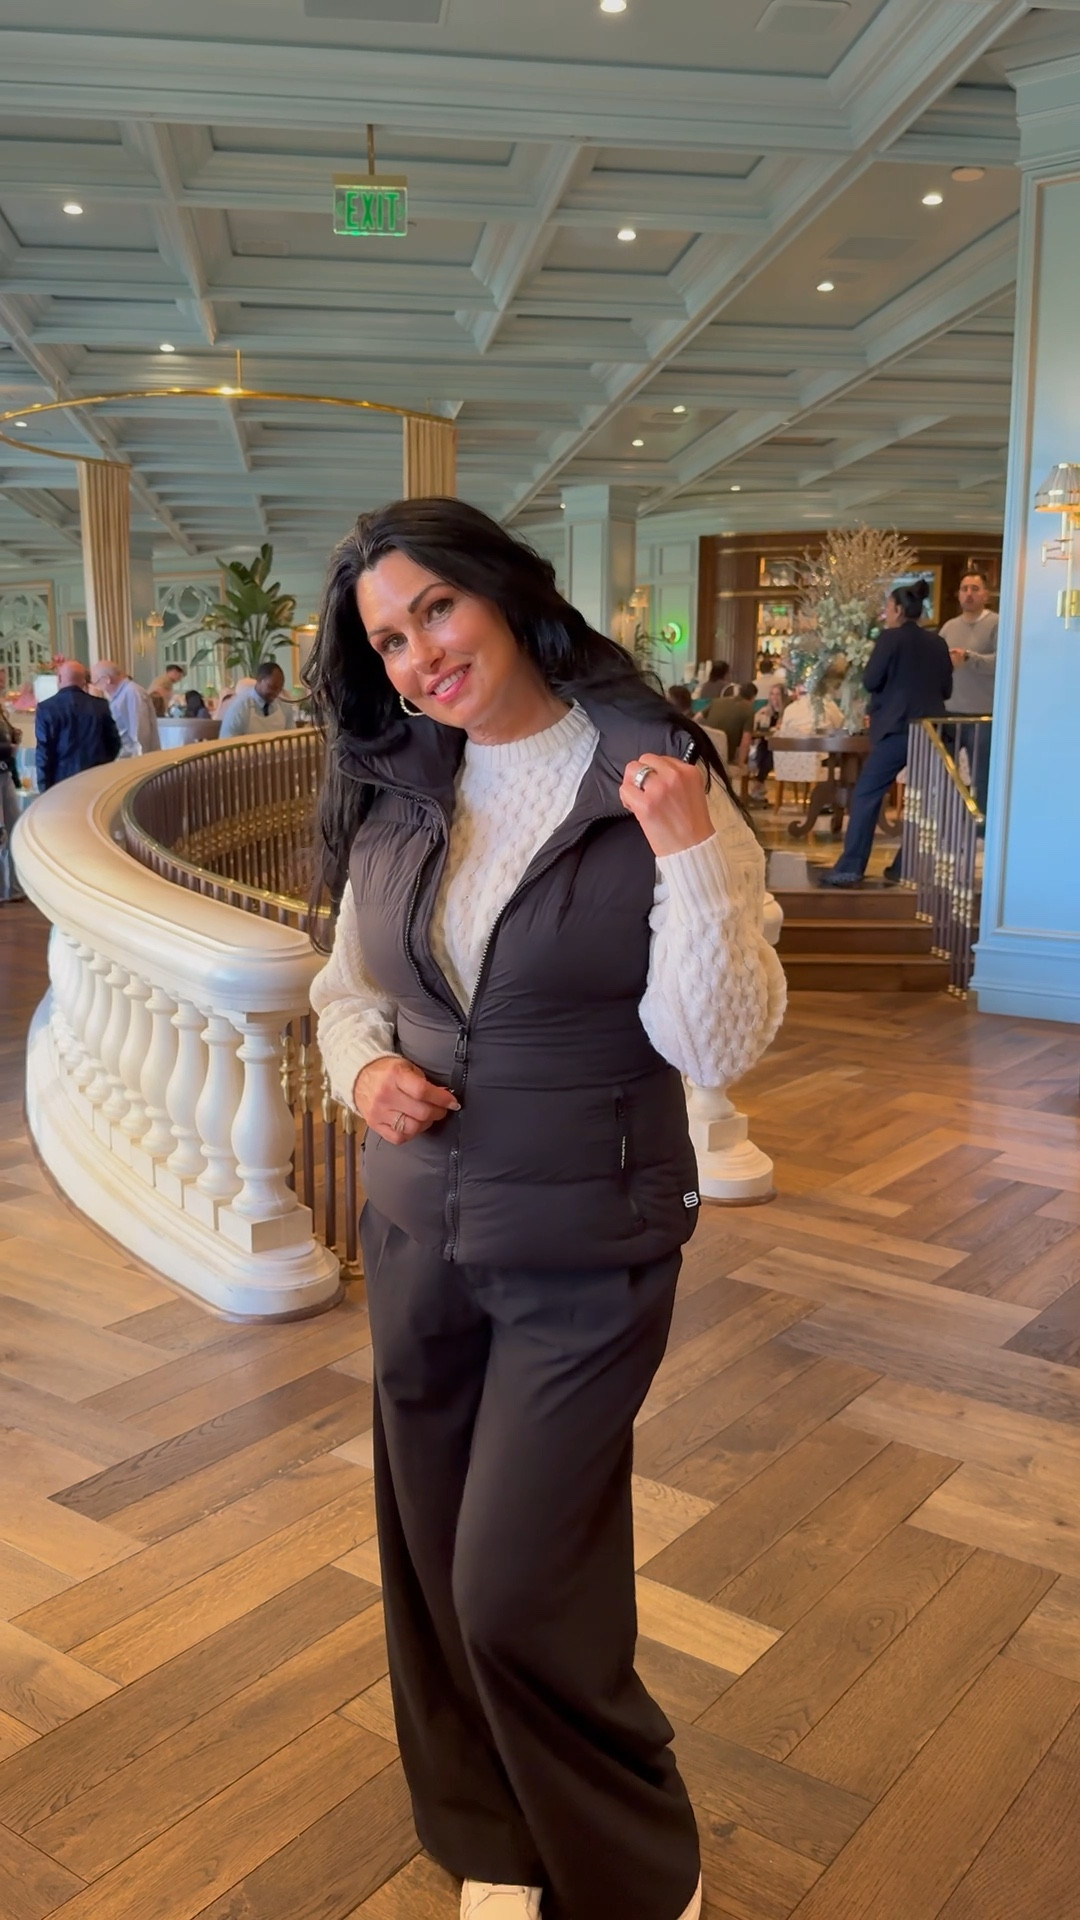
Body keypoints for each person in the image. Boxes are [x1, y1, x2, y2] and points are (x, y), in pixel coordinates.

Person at [308, 499, 786, 1920]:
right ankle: (493, 1841)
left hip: (587, 1240)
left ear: (505, 595)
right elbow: (347, 988)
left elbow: (719, 1044)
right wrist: (365, 1070)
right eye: (389, 640)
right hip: (417, 1235)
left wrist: (689, 850)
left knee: (516, 1583)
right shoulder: (400, 786)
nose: (419, 656)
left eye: (435, 611)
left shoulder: (652, 770)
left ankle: (634, 1864)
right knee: (431, 1560)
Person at [816, 579, 952, 887]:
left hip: (897, 726)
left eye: (888, 608)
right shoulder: (938, 643)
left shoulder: (890, 639)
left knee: (867, 794)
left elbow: (871, 680)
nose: (885, 614)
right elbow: (946, 689)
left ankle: (851, 867)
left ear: (899, 610)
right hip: (932, 730)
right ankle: (906, 866)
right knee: (923, 801)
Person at [941, 569, 997, 815]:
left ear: (986, 594)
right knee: (945, 772)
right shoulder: (949, 627)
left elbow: (1002, 661)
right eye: (964, 589)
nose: (969, 594)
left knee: (982, 776)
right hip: (950, 713)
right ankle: (949, 820)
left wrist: (970, 658)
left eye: (975, 589)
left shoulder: (996, 623)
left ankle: (981, 825)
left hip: (982, 715)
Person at [35, 660, 122, 792]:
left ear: (59, 679)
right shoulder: (100, 706)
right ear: (84, 681)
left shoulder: (46, 708)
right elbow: (114, 743)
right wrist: (103, 764)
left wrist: (44, 788)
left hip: (61, 782)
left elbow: (44, 752)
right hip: (96, 779)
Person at [772, 682, 845, 792]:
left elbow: (783, 733)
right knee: (848, 758)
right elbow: (841, 726)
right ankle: (837, 796)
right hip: (819, 761)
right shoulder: (827, 704)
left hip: (790, 763)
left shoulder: (789, 709)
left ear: (797, 692)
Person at [91, 660, 161, 756]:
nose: (96, 687)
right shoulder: (119, 696)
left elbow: (140, 733)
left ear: (107, 679)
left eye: (96, 682)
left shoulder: (132, 693)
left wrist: (139, 761)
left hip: (137, 760)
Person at [219, 659, 293, 737]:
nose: (276, 693)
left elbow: (293, 738)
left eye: (279, 689)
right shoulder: (240, 707)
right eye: (272, 687)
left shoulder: (284, 707)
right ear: (259, 680)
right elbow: (227, 740)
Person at [0, 697, 24, 901]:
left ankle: (16, 888)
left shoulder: (2, 712)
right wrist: (8, 748)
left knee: (15, 828)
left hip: (5, 773)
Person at [705, 680, 756, 765]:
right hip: (726, 758)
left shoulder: (716, 702)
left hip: (705, 754)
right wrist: (740, 764)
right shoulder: (749, 710)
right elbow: (746, 741)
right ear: (753, 698)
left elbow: (697, 717)